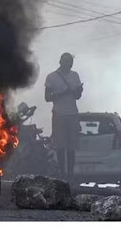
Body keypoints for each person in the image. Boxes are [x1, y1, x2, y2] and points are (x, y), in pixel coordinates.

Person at [45, 52, 83, 180]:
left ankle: (70, 174)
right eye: (67, 62)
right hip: (59, 114)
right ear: (61, 62)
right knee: (60, 146)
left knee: (71, 147)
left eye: (71, 62)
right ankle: (62, 174)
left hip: (72, 113)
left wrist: (78, 91)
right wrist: (63, 93)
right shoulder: (51, 77)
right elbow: (47, 97)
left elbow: (78, 96)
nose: (70, 65)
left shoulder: (75, 75)